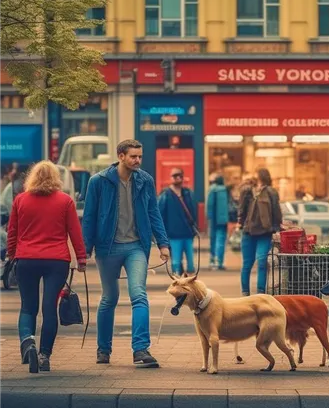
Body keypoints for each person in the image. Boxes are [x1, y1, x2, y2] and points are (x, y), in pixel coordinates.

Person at [82, 139, 170, 368]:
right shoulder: (98, 181)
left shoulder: (145, 180)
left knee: (139, 295)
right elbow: (89, 217)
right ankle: (103, 349)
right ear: (120, 156)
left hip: (136, 247)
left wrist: (163, 243)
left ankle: (140, 349)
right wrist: (85, 250)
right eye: (133, 156)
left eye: (140, 156)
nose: (138, 160)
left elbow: (154, 213)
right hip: (107, 247)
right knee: (109, 298)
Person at [7, 161, 87, 373]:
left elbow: (12, 231)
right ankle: (44, 356)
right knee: (49, 307)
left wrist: (11, 255)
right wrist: (81, 258)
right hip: (56, 261)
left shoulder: (20, 200)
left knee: (28, 307)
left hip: (27, 260)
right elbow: (74, 232)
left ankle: (28, 342)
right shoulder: (65, 201)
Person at [238, 168, 282, 296]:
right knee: (247, 264)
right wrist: (240, 224)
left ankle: (260, 293)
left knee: (262, 262)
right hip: (248, 232)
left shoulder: (271, 192)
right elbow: (241, 210)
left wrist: (277, 228)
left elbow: (276, 211)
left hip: (265, 233)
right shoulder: (247, 191)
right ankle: (245, 293)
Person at [158, 168, 198, 276]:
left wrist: (195, 227)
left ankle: (190, 284)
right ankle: (178, 282)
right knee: (175, 262)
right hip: (173, 234)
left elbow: (194, 211)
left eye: (179, 175)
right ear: (170, 178)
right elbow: (160, 215)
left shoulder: (188, 193)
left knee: (191, 264)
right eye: (174, 176)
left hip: (188, 233)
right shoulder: (165, 195)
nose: (177, 178)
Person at [207, 174, 229, 271]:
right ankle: (219, 261)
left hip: (213, 219)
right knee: (221, 240)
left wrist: (209, 216)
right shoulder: (225, 190)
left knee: (213, 239)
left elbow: (209, 204)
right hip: (223, 219)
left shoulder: (212, 189)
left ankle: (212, 261)